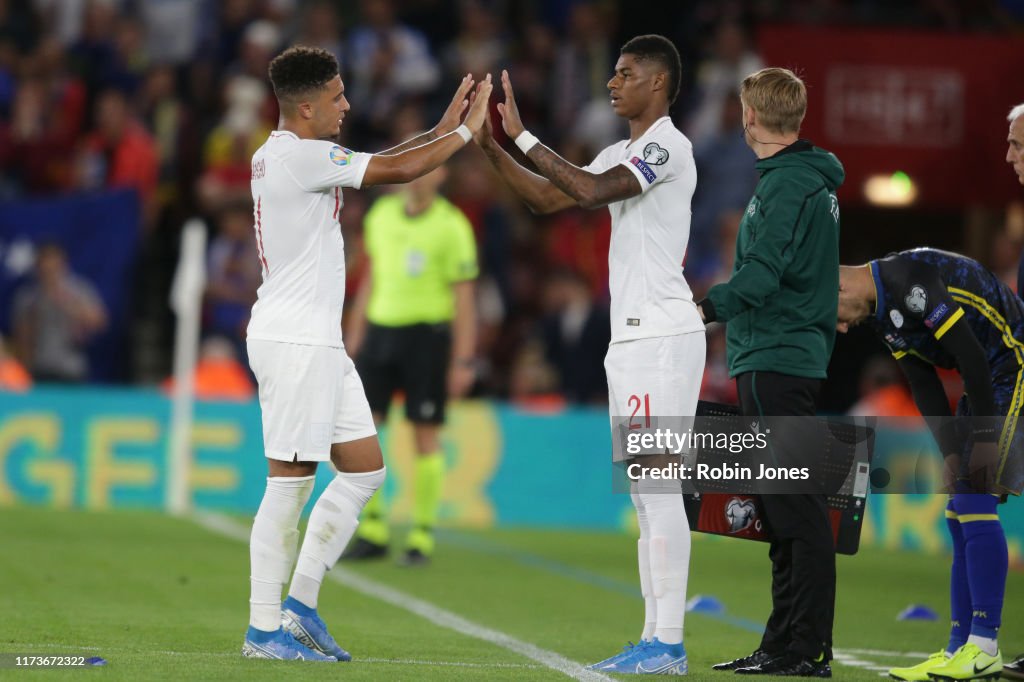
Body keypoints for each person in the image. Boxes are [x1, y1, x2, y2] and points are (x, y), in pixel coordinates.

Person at [241, 45, 491, 661]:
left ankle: (299, 606)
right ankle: (262, 629)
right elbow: (398, 172)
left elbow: (383, 159)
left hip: (315, 340)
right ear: (305, 107)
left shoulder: (283, 154)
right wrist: (464, 133)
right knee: (290, 484)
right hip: (296, 340)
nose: (347, 105)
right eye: (336, 97)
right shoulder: (302, 157)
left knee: (364, 470)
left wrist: (437, 129)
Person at [475, 35, 702, 675]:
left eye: (626, 73)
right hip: (631, 336)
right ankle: (655, 638)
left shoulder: (668, 146)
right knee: (643, 490)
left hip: (660, 331)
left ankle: (669, 642)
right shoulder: (620, 150)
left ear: (658, 83)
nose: (612, 82)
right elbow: (550, 197)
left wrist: (522, 135)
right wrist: (491, 146)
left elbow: (593, 191)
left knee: (658, 485)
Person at [696, 67, 844, 677]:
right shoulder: (807, 181)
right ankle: (783, 643)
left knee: (794, 509)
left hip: (776, 356)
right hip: (783, 354)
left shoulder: (784, 185)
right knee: (781, 507)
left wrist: (703, 309)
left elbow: (761, 276)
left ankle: (805, 646)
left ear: (749, 117)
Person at [837, 248, 1023, 681]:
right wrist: (951, 452)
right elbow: (922, 381)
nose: (843, 328)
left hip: (1014, 365)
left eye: (837, 317)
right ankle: (960, 647)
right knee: (960, 509)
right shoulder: (883, 312)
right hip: (989, 378)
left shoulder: (908, 281)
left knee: (974, 499)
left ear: (841, 286)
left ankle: (983, 647)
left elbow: (973, 357)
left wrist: (980, 438)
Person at [341, 163, 479, 565]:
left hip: (426, 336)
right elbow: (372, 277)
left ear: (441, 176)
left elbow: (465, 296)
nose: (418, 176)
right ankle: (373, 528)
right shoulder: (380, 216)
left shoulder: (452, 226)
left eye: (428, 169)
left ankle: (421, 534)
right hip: (381, 332)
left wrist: (464, 359)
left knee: (424, 433)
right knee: (365, 432)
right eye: (413, 167)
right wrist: (356, 330)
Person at [12, 242, 107, 383]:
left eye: (53, 262)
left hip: (71, 368)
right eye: (45, 262)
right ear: (38, 265)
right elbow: (22, 337)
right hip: (39, 369)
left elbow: (99, 321)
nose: (49, 267)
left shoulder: (78, 290)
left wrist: (67, 302)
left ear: (63, 263)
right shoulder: (28, 296)